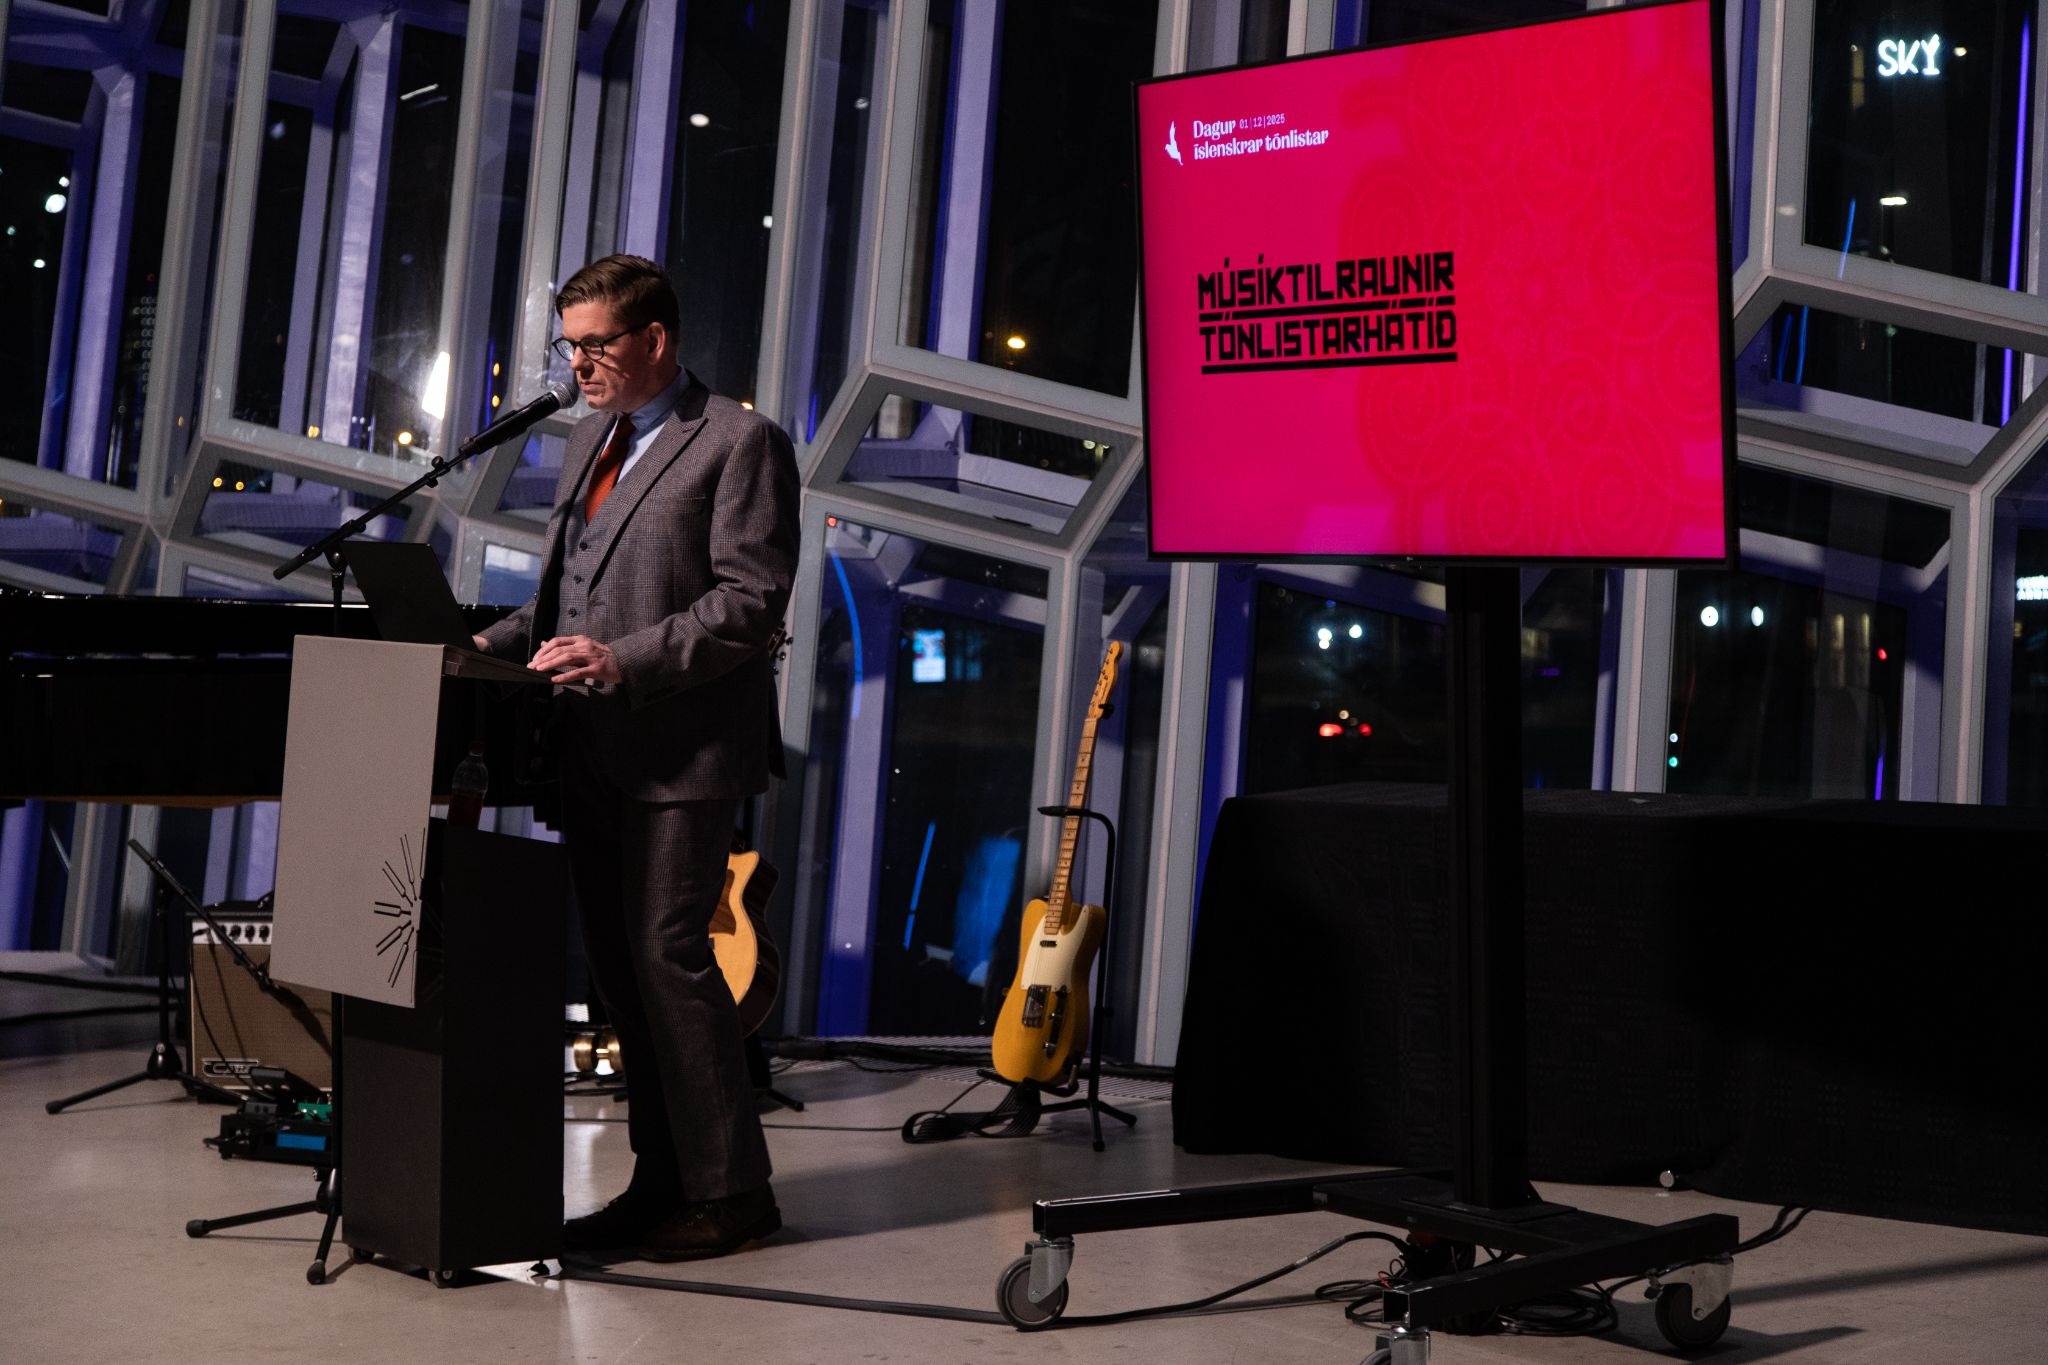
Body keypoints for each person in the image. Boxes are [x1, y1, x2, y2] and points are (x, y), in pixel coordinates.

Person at [474, 254, 798, 1261]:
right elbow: (569, 593)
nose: (578, 365)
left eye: (596, 344)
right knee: (622, 975)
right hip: (590, 746)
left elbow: (749, 602)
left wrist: (625, 659)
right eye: (568, 346)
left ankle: (735, 1193)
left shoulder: (739, 441)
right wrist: (481, 643)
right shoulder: (587, 439)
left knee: (668, 957)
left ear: (654, 338)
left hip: (684, 748)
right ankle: (663, 1182)